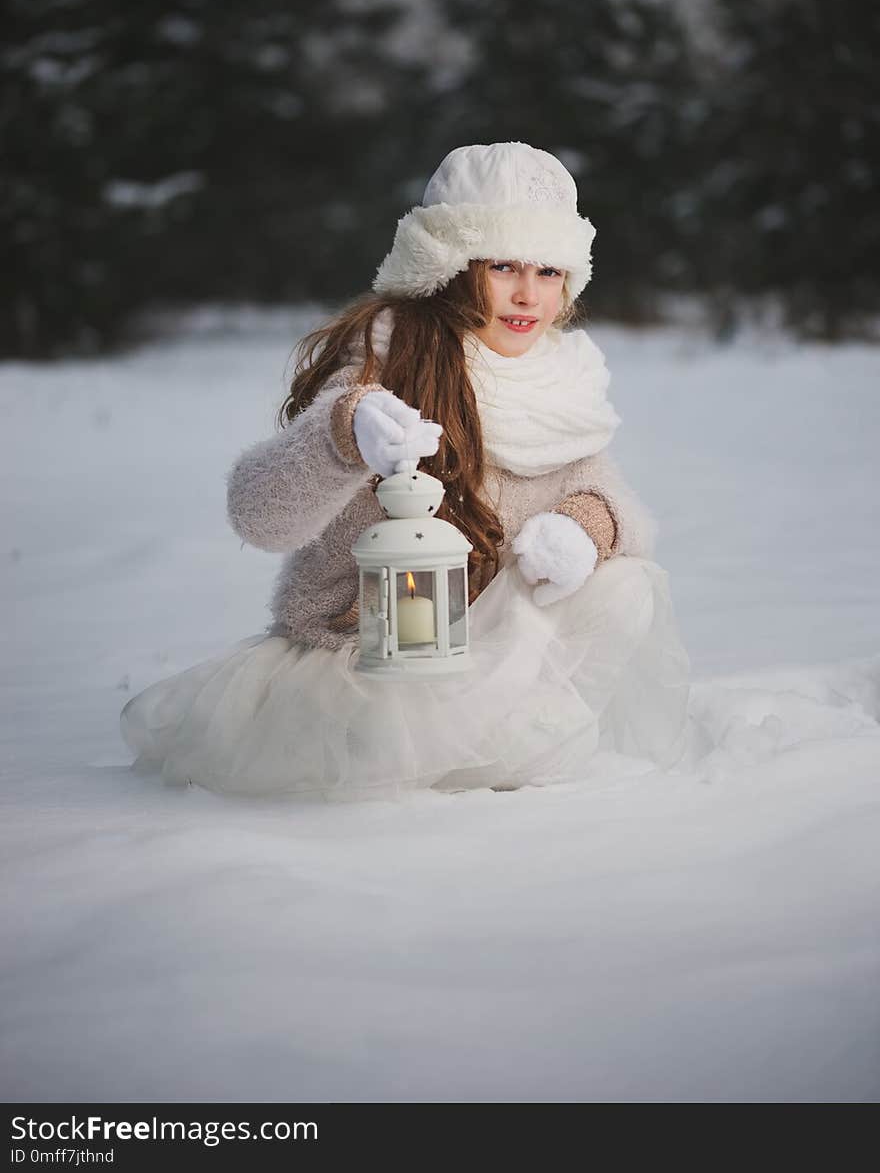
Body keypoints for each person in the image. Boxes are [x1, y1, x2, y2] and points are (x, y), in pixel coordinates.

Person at [121, 142, 690, 800]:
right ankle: (454, 751)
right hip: (370, 661)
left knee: (626, 582)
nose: (528, 295)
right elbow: (258, 513)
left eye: (549, 271)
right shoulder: (390, 359)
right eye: (503, 265)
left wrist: (585, 524)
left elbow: (607, 488)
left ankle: (502, 743)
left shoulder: (562, 376)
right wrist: (344, 434)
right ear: (449, 265)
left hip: (490, 643)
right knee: (399, 720)